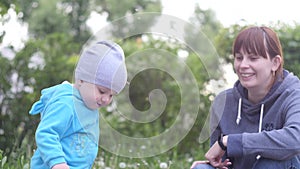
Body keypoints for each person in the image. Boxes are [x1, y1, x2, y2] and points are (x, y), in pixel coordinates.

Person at [191, 26, 300, 169]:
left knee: (269, 164)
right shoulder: (223, 102)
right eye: (239, 58)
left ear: (275, 63)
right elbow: (220, 160)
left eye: (253, 58)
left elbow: (295, 139)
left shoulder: (294, 95)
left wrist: (230, 141)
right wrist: (212, 164)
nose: (243, 65)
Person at [29, 41, 127, 169]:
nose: (106, 99)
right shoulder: (66, 104)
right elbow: (46, 133)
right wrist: (57, 163)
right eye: (102, 91)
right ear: (81, 80)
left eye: (111, 95)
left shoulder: (90, 105)